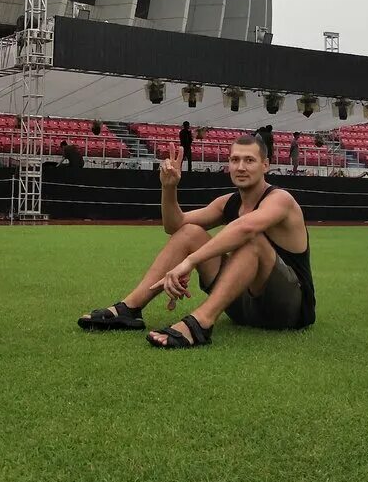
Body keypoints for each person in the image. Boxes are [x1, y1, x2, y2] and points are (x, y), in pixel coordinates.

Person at [77, 136, 315, 348]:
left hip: (287, 311)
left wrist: (189, 262)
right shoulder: (228, 202)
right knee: (190, 232)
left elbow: (245, 227)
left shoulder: (281, 199)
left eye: (249, 160)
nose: (240, 167)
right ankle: (130, 308)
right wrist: (169, 188)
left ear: (265, 165)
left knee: (252, 240)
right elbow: (174, 225)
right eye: (234, 160)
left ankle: (201, 322)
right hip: (244, 307)